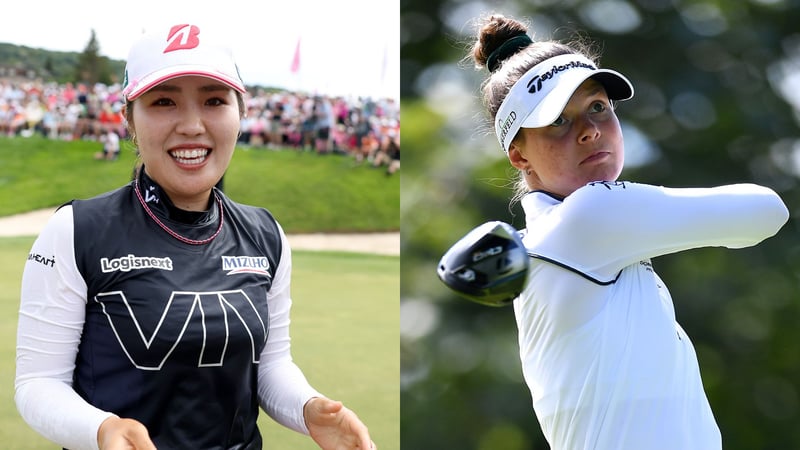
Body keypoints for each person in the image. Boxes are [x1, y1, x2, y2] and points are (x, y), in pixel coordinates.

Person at [15, 23, 375, 450]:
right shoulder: (77, 230)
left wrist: (308, 408)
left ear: (240, 116)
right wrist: (102, 430)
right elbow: (38, 384)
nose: (191, 125)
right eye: (164, 101)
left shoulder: (266, 234)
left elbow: (270, 366)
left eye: (214, 101)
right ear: (130, 118)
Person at [460, 13, 789, 449]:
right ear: (519, 155)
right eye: (558, 120)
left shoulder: (556, 238)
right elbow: (767, 210)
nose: (590, 131)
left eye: (598, 107)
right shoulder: (593, 215)